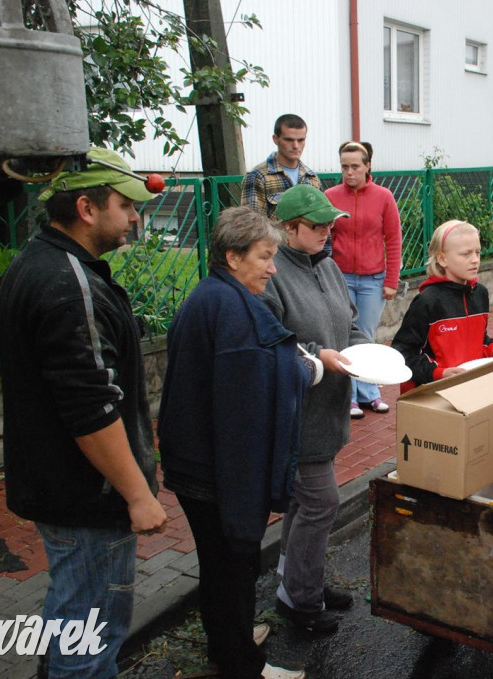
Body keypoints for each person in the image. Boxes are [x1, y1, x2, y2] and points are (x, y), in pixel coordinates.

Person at [0, 148, 168, 678]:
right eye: (126, 205)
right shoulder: (69, 285)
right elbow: (90, 407)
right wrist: (137, 494)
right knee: (90, 638)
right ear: (88, 208)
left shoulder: (39, 263)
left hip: (59, 488)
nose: (136, 217)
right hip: (86, 497)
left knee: (70, 614)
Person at [158, 208, 311, 679]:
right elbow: (248, 406)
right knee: (233, 568)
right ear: (232, 256)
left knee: (219, 567)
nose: (272, 267)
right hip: (214, 472)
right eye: (265, 257)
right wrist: (311, 370)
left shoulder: (211, 296)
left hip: (192, 462)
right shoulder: (231, 309)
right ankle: (243, 666)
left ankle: (231, 641)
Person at [261, 185, 368, 634]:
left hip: (329, 411)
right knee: (321, 502)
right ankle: (301, 602)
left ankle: (297, 582)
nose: (327, 231)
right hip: (294, 418)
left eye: (329, 223)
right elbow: (273, 345)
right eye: (317, 225)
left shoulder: (328, 266)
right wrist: (317, 354)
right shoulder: (271, 275)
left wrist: (365, 353)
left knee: (305, 507)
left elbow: (352, 322)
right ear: (289, 228)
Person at [325, 141, 402, 418]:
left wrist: (391, 280)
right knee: (346, 334)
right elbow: (325, 238)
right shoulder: (331, 195)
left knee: (367, 337)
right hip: (340, 277)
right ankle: (351, 398)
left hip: (373, 279)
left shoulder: (383, 196)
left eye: (355, 166)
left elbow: (393, 240)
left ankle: (370, 393)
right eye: (344, 167)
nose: (349, 172)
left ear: (367, 166)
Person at [391, 220, 493, 391]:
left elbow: (479, 339)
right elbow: (402, 354)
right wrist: (439, 373)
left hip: (470, 388)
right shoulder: (426, 301)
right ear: (442, 259)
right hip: (433, 395)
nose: (475, 260)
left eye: (478, 252)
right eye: (466, 254)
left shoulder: (480, 293)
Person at [242, 113, 330, 254]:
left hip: (307, 257)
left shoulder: (311, 177)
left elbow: (323, 220)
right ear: (276, 139)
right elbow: (251, 226)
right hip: (275, 257)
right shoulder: (259, 176)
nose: (295, 146)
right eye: (289, 140)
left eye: (300, 140)